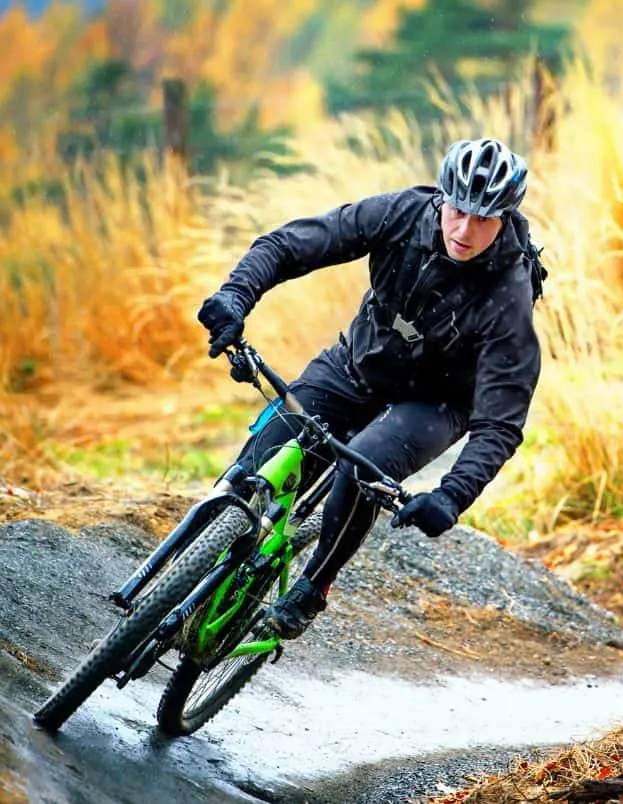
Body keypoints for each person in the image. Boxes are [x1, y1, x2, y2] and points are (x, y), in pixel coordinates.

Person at [197, 137, 544, 640]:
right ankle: (202, 556)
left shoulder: (509, 295)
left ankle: (315, 585)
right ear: (441, 198)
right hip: (356, 365)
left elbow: (501, 422)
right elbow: (289, 246)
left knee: (362, 464)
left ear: (507, 218)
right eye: (458, 210)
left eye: (484, 219)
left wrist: (452, 495)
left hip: (435, 403)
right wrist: (234, 295)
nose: (465, 229)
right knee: (262, 456)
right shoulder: (401, 213)